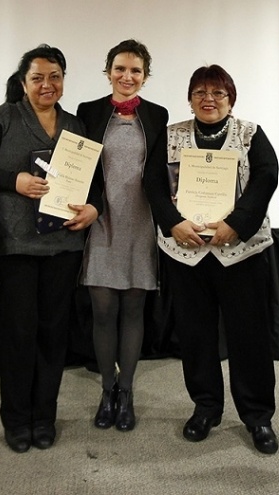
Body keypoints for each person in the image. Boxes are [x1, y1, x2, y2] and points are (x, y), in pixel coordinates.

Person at [0, 44, 101, 454]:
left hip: (63, 245)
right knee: (17, 334)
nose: (48, 84)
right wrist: (15, 182)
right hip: (14, 245)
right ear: (24, 82)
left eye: (55, 76)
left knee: (52, 335)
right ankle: (16, 418)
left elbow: (93, 179)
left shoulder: (76, 125)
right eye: (38, 77)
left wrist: (93, 209)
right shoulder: (3, 118)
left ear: (64, 79)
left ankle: (44, 416)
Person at [143, 65, 279, 454]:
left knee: (248, 336)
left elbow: (266, 178)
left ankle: (258, 416)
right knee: (196, 334)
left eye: (218, 93)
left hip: (240, 252)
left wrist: (237, 223)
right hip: (187, 253)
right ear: (189, 98)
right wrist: (172, 223)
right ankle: (205, 407)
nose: (209, 99)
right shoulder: (171, 136)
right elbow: (152, 183)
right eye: (200, 92)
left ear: (230, 99)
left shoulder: (250, 134)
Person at [76, 39, 168, 432]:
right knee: (103, 310)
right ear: (108, 71)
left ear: (145, 76)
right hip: (101, 218)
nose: (127, 77)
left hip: (142, 221)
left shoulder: (159, 115)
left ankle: (126, 391)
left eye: (135, 70)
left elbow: (165, 172)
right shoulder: (89, 112)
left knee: (133, 310)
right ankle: (107, 388)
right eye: (120, 69)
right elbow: (80, 165)